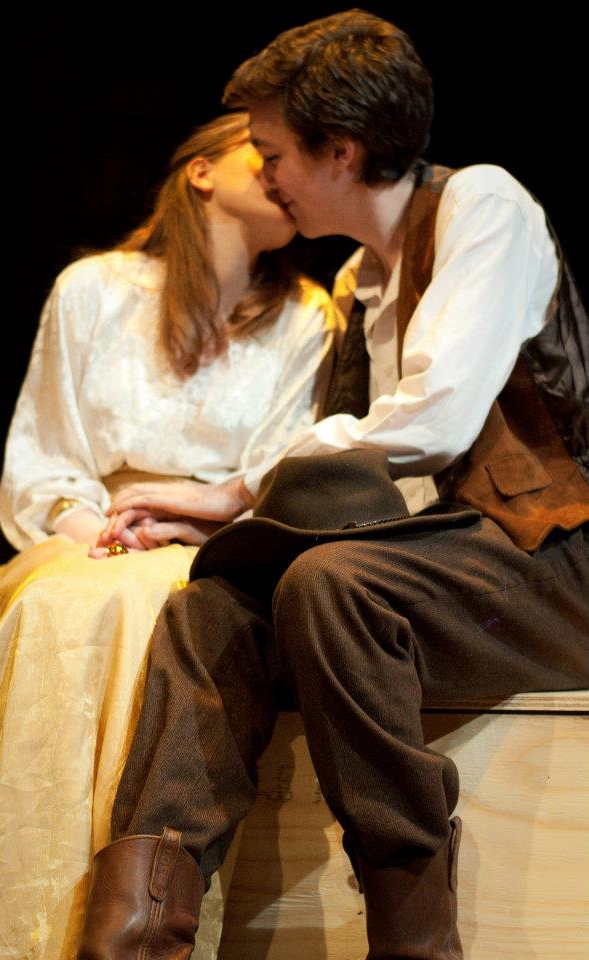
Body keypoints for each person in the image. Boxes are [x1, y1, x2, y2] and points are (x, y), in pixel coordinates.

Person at [77, 11, 589, 960]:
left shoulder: (483, 205)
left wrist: (236, 492)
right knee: (210, 608)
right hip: (422, 575)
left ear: (342, 151)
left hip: (547, 566)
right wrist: (227, 531)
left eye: (274, 154)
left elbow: (438, 419)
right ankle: (136, 940)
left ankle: (415, 943)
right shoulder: (360, 282)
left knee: (332, 585)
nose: (266, 175)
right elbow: (353, 490)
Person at [0, 112, 336, 960]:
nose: (287, 171)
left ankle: (136, 917)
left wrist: (186, 521)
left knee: (161, 603)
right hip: (85, 532)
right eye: (266, 153)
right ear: (201, 171)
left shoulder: (307, 317)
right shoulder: (93, 289)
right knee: (66, 600)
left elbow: (284, 475)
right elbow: (45, 457)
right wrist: (101, 532)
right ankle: (25, 920)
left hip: (216, 543)